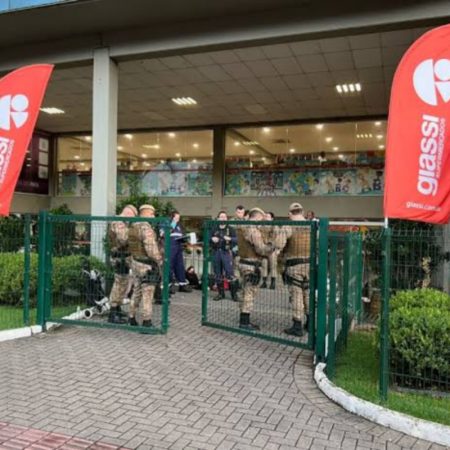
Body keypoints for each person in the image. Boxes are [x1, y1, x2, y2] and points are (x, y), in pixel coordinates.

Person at [275, 203, 311, 337]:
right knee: (308, 294)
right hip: (309, 264)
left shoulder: (288, 226)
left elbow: (279, 244)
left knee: (296, 295)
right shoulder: (311, 226)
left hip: (294, 265)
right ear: (302, 212)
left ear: (290, 213)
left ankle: (297, 325)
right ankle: (310, 323)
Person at [237, 207, 274, 330]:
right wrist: (271, 247)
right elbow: (260, 249)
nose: (262, 221)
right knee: (250, 292)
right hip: (252, 264)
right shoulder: (254, 230)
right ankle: (244, 321)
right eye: (262, 218)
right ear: (258, 217)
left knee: (244, 291)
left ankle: (243, 318)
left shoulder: (242, 227)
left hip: (243, 262)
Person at [128, 204, 162, 327]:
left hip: (135, 262)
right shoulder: (146, 227)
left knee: (136, 291)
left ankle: (131, 317)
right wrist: (159, 260)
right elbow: (151, 249)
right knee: (147, 293)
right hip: (146, 265)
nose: (153, 216)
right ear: (146, 213)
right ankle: (146, 322)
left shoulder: (133, 226)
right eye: (152, 214)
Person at [108, 204, 137, 324]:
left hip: (124, 257)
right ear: (129, 213)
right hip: (119, 257)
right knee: (119, 284)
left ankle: (117, 308)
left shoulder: (122, 222)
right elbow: (123, 239)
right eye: (133, 216)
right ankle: (113, 311)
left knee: (123, 283)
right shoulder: (118, 222)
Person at [211, 211, 239, 302]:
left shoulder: (230, 229)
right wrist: (212, 239)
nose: (223, 218)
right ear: (218, 218)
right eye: (221, 217)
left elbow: (237, 240)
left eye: (224, 217)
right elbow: (207, 238)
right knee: (217, 274)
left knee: (230, 274)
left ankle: (234, 295)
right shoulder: (214, 228)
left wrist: (230, 238)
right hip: (216, 252)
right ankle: (220, 294)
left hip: (226, 252)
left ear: (226, 218)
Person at [169, 211, 192, 293]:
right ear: (172, 217)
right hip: (171, 247)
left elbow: (183, 235)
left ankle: (182, 284)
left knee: (180, 266)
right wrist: (173, 223)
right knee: (170, 266)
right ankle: (169, 285)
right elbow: (166, 233)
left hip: (179, 247)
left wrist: (185, 238)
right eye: (176, 217)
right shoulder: (167, 223)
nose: (177, 219)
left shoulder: (180, 226)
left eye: (178, 218)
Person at [260, 211, 278, 290]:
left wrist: (273, 246)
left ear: (272, 218)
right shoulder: (261, 226)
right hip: (263, 249)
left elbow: (275, 238)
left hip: (272, 249)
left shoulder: (274, 227)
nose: (266, 217)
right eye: (265, 216)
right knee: (264, 265)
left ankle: (273, 282)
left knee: (273, 265)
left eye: (268, 216)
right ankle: (264, 282)